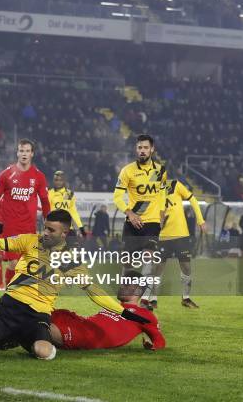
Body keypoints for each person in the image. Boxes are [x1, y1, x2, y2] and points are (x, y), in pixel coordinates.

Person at [0, 209, 150, 360]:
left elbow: (94, 291)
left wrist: (123, 312)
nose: (45, 233)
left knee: (45, 353)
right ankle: (3, 333)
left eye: (51, 230)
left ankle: (12, 337)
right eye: (45, 227)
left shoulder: (72, 261)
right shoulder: (30, 240)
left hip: (37, 315)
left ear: (65, 233)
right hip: (9, 306)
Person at [0, 139, 51, 291]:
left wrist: (48, 224)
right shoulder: (6, 175)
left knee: (29, 266)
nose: (24, 154)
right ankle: (9, 291)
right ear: (17, 153)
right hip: (11, 229)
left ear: (32, 154)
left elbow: (44, 201)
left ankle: (22, 296)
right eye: (21, 151)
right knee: (13, 264)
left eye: (27, 151)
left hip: (29, 227)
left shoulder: (39, 177)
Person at [50, 270, 165, 351]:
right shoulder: (114, 306)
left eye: (127, 284)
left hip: (89, 336)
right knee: (40, 311)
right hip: (80, 321)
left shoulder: (144, 315)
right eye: (122, 282)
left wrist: (154, 345)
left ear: (138, 291)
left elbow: (159, 339)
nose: (121, 286)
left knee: (41, 326)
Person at [113, 134, 166, 303]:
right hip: (133, 222)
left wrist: (162, 215)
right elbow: (117, 197)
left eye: (145, 147)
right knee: (127, 262)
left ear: (152, 149)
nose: (142, 151)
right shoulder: (127, 170)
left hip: (152, 222)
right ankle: (124, 294)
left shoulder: (160, 171)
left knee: (148, 259)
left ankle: (142, 298)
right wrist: (130, 213)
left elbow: (162, 194)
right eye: (139, 148)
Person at [149, 179, 206, 309]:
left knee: (186, 266)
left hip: (181, 234)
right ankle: (152, 299)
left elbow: (192, 199)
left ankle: (186, 298)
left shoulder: (175, 184)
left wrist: (200, 220)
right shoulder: (151, 191)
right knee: (157, 268)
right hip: (162, 237)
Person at [47, 170, 84, 236]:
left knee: (73, 246)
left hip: (69, 228)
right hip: (55, 228)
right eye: (56, 180)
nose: (58, 182)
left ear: (64, 181)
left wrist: (80, 227)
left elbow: (73, 212)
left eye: (60, 180)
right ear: (53, 181)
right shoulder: (49, 194)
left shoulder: (70, 194)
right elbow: (46, 212)